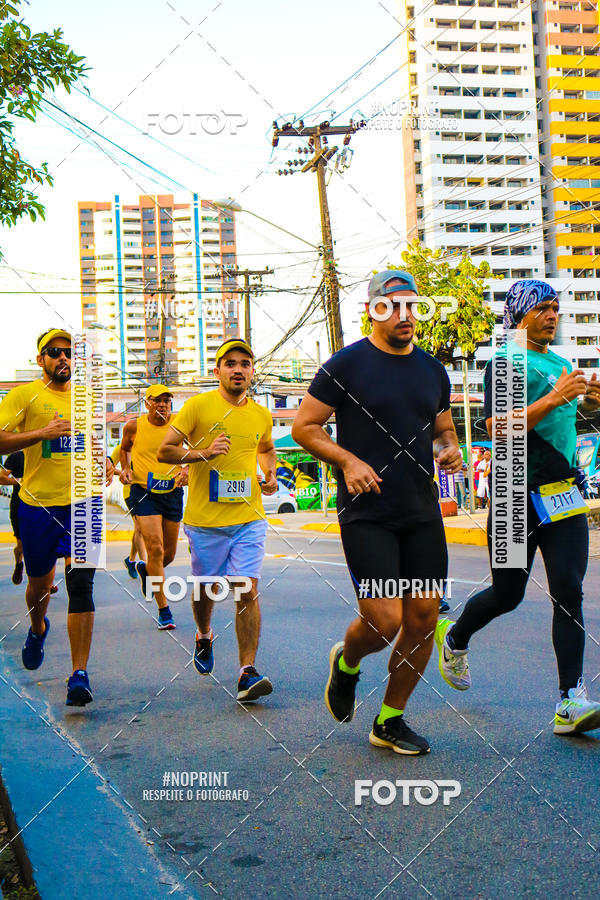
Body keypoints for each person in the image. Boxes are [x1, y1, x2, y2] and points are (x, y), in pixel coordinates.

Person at [292, 270, 463, 755]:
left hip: (421, 510)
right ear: (373, 310)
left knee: (424, 617)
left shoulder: (433, 370)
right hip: (368, 511)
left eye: (413, 305)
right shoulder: (346, 365)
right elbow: (305, 427)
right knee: (384, 621)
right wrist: (347, 460)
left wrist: (449, 448)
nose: (406, 315)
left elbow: (443, 430)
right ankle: (347, 662)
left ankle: (390, 720)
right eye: (394, 306)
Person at [436, 279, 600, 735]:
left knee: (568, 589)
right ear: (522, 314)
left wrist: (590, 403)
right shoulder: (505, 362)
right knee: (508, 593)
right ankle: (455, 636)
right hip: (511, 492)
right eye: (544, 307)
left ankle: (570, 701)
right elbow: (496, 426)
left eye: (556, 307)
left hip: (563, 492)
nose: (553, 315)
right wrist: (553, 397)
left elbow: (568, 423)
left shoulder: (562, 364)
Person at [158, 338, 278, 703]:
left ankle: (246, 672)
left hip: (249, 518)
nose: (238, 369)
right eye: (231, 363)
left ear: (252, 371)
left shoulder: (260, 414)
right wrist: (203, 453)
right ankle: (204, 633)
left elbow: (267, 448)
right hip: (205, 521)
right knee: (206, 589)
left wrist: (270, 473)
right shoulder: (198, 406)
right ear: (218, 370)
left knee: (246, 588)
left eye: (245, 363)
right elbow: (166, 450)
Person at [0, 329, 96, 706]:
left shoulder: (87, 398)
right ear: (40, 359)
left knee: (81, 586)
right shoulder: (24, 395)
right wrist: (42, 433)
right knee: (40, 587)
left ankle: (79, 675)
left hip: (84, 505)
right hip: (38, 506)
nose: (63, 359)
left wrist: (103, 461)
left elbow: (94, 442)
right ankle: (38, 627)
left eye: (70, 353)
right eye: (54, 352)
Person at [119, 385, 186, 630]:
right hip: (143, 490)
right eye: (158, 400)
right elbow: (124, 448)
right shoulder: (134, 426)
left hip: (172, 491)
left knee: (168, 555)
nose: (163, 405)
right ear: (147, 403)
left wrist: (186, 469)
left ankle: (146, 569)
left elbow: (192, 450)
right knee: (155, 548)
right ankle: (164, 609)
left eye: (167, 401)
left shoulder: (180, 424)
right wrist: (126, 468)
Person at [109, 445, 147, 579]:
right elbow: (108, 465)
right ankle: (145, 566)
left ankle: (131, 560)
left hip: (148, 492)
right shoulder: (121, 448)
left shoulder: (147, 446)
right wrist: (124, 472)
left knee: (140, 529)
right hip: (130, 492)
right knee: (140, 529)